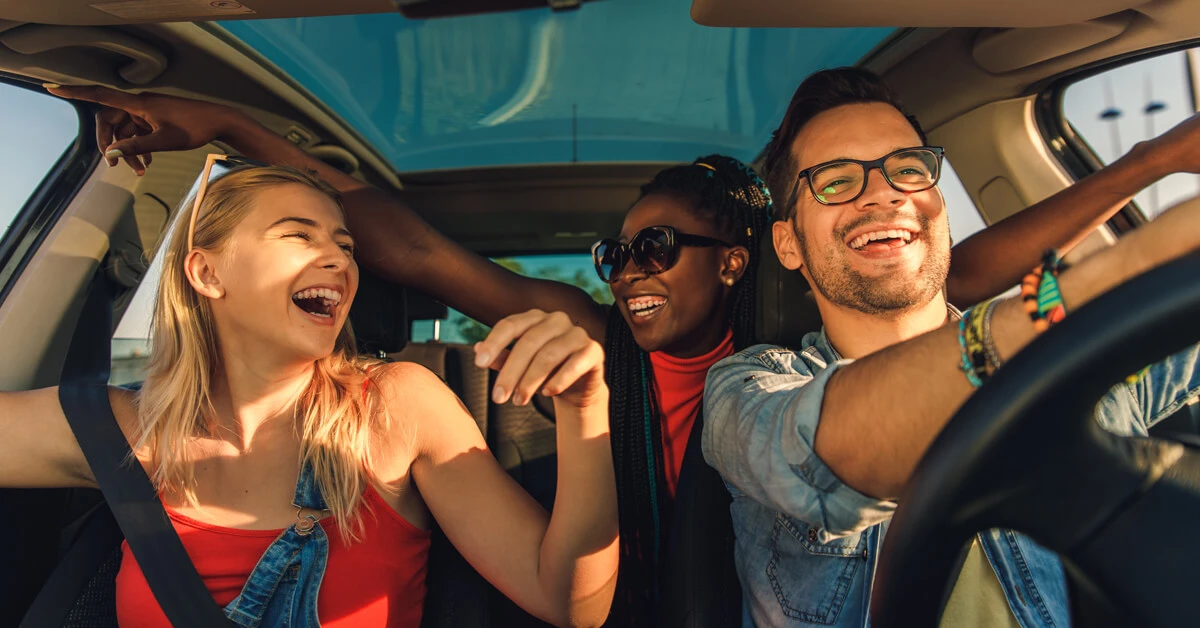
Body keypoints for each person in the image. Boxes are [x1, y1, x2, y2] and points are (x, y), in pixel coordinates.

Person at [42, 76, 1200, 625]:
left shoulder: (807, 328)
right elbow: (431, 260)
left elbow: (962, 284)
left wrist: (1154, 173)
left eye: (656, 247)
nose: (627, 274)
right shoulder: (668, 364)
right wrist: (239, 133)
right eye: (613, 254)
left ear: (747, 259)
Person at [0, 162, 619, 627]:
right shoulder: (116, 426)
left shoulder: (396, 407)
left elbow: (570, 604)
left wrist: (587, 410)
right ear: (206, 272)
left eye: (345, 246)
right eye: (299, 236)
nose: (338, 259)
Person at [702, 67, 1200, 627]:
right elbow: (824, 451)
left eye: (908, 170)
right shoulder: (748, 388)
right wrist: (1126, 269)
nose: (885, 194)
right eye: (836, 182)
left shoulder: (1078, 357)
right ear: (788, 243)